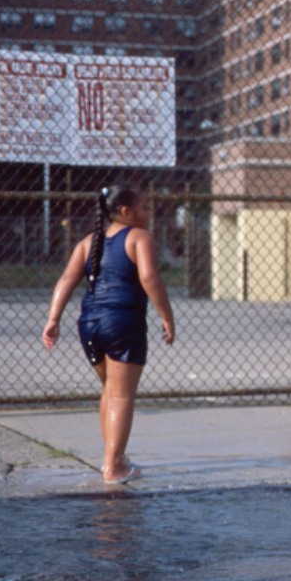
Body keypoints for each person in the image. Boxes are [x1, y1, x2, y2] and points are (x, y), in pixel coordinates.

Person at [42, 185, 176, 484]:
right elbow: (149, 277)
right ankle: (114, 465)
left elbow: (66, 279)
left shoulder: (88, 242)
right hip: (122, 322)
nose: (149, 213)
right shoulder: (139, 237)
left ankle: (113, 457)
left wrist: (53, 318)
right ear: (126, 211)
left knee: (110, 390)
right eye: (145, 207)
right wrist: (166, 316)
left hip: (89, 323)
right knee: (121, 394)